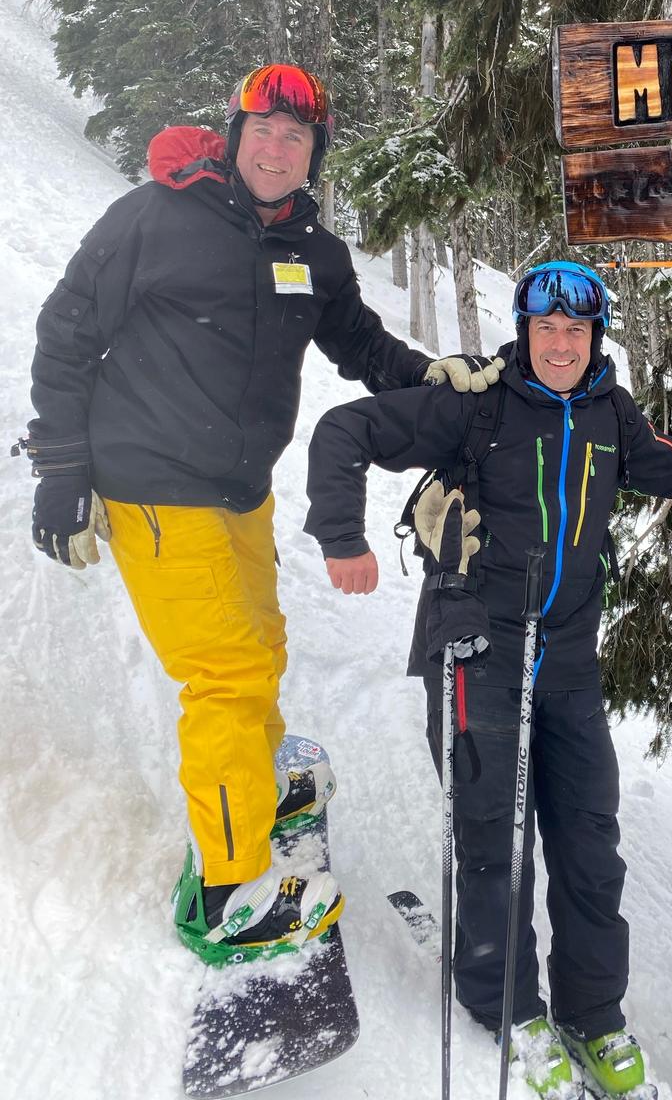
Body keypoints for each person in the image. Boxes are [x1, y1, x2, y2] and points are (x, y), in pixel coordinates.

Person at [21, 62, 503, 964]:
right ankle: (231, 888)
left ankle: (257, 782)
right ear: (235, 134)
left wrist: (428, 376)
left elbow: (357, 340)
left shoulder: (310, 249)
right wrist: (60, 470)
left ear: (314, 154)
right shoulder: (155, 217)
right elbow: (67, 332)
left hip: (239, 491)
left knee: (263, 643)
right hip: (154, 486)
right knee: (228, 678)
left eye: (297, 137)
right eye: (263, 131)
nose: (277, 150)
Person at [303, 258, 672, 1096]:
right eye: (546, 329)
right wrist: (341, 537)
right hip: (476, 647)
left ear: (595, 335)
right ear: (525, 331)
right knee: (495, 839)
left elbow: (662, 466)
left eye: (576, 330)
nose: (562, 344)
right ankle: (507, 1009)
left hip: (567, 655)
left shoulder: (609, 408)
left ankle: (592, 1013)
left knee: (589, 842)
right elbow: (345, 432)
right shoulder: (479, 405)